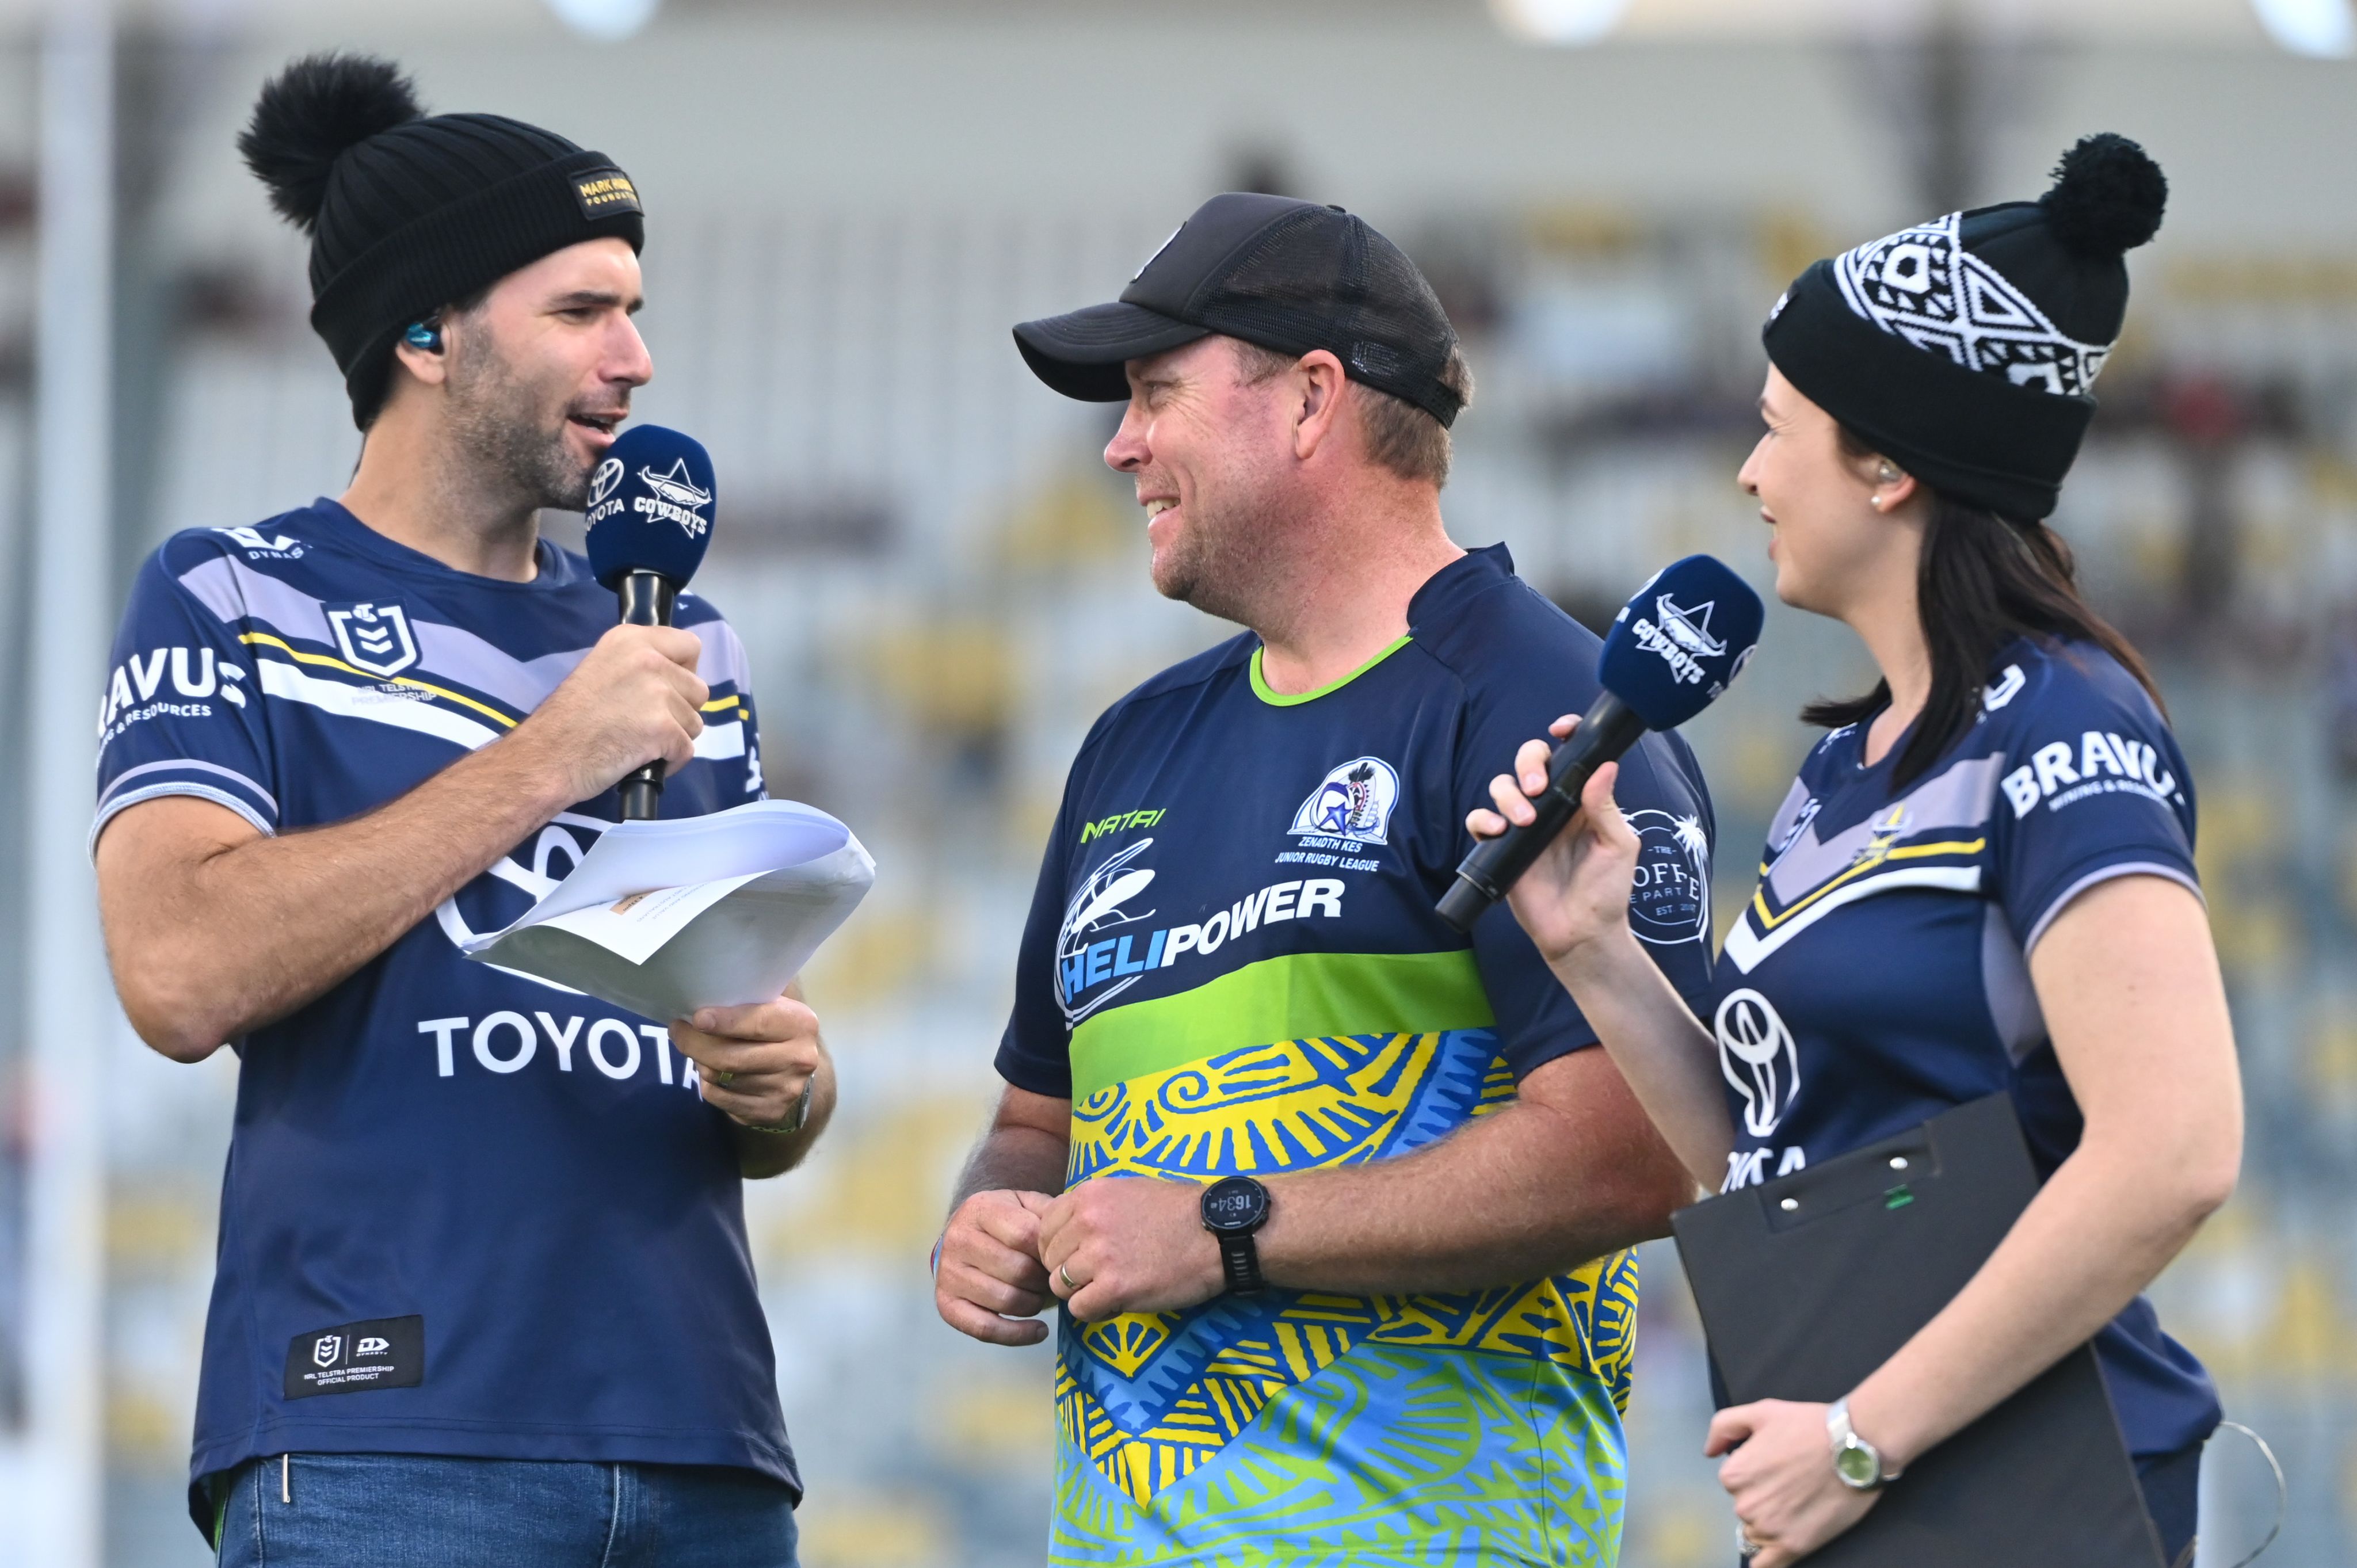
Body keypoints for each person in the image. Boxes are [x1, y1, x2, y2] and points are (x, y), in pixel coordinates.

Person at [93, 55, 826, 1566]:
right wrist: (547, 755)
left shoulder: (683, 642)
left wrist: (787, 1086)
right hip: (384, 1433)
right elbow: (175, 969)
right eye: (582, 311)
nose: (635, 358)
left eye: (635, 310)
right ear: (426, 332)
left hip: (703, 1440)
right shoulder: (233, 591)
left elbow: (761, 1086)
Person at [1470, 135, 2239, 1568]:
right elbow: (1775, 1163)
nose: (1749, 472)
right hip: (1867, 1491)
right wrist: (1591, 945)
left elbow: (2174, 1148)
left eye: (1778, 428)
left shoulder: (2064, 725)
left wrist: (1860, 1435)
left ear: (1885, 463)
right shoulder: (1846, 766)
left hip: (2023, 1501)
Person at [933, 192, 1717, 1565]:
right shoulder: (1129, 744)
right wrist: (988, 1215)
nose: (1119, 444)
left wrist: (1226, 1230)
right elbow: (1032, 1120)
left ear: (1309, 399)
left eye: (1155, 394)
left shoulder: (1542, 706)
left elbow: (1643, 1151)